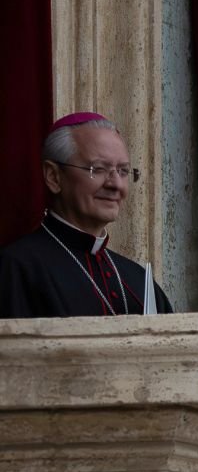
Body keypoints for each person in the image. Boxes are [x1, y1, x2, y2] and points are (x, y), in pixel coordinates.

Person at [0, 113, 174, 318]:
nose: (116, 185)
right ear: (53, 177)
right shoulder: (17, 268)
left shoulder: (139, 281)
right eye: (98, 169)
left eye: (123, 171)